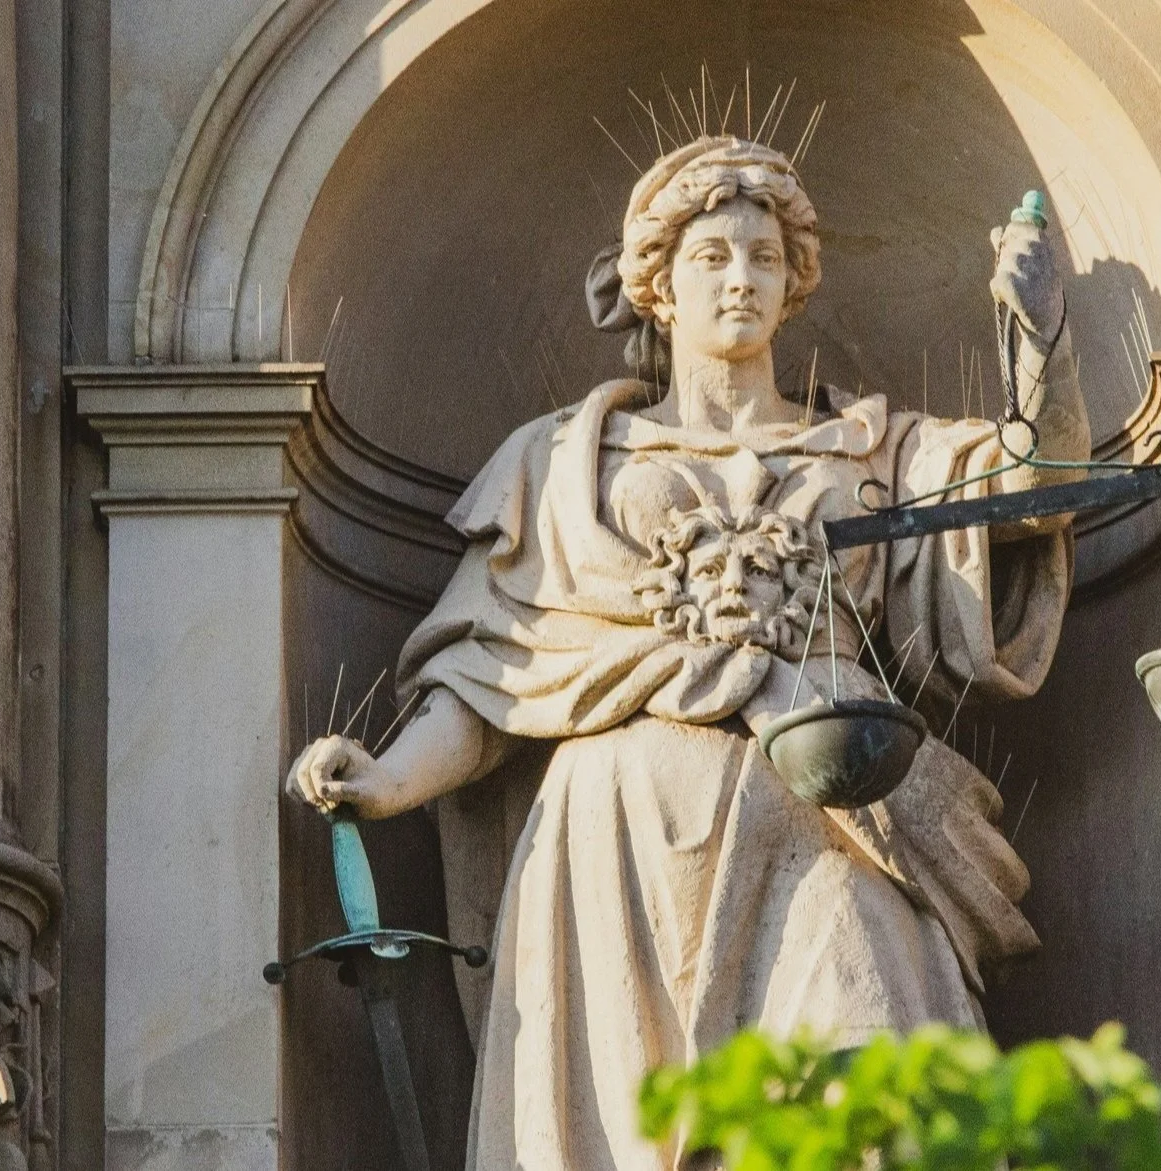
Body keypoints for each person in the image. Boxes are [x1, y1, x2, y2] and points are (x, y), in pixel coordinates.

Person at [288, 135, 1090, 1170]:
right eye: (713, 257)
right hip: (616, 847)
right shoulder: (563, 463)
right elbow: (496, 671)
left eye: (764, 258)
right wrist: (387, 779)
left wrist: (1040, 339)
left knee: (877, 1057)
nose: (742, 280)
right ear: (655, 283)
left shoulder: (875, 452)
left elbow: (1042, 481)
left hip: (838, 819)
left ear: (795, 283)